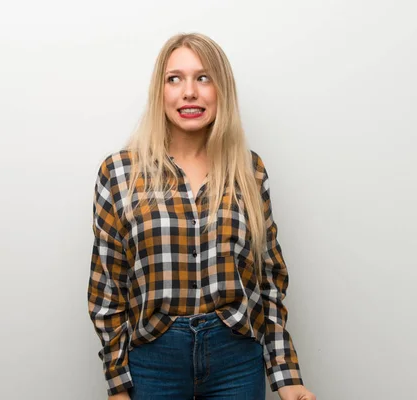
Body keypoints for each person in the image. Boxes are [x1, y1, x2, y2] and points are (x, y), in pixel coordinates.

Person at [87, 32, 316, 400]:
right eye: (174, 78)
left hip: (237, 360)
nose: (189, 92)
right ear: (159, 91)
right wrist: (117, 385)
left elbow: (269, 280)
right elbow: (107, 290)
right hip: (153, 363)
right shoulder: (119, 173)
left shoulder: (249, 170)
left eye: (203, 77)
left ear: (221, 90)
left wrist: (286, 376)